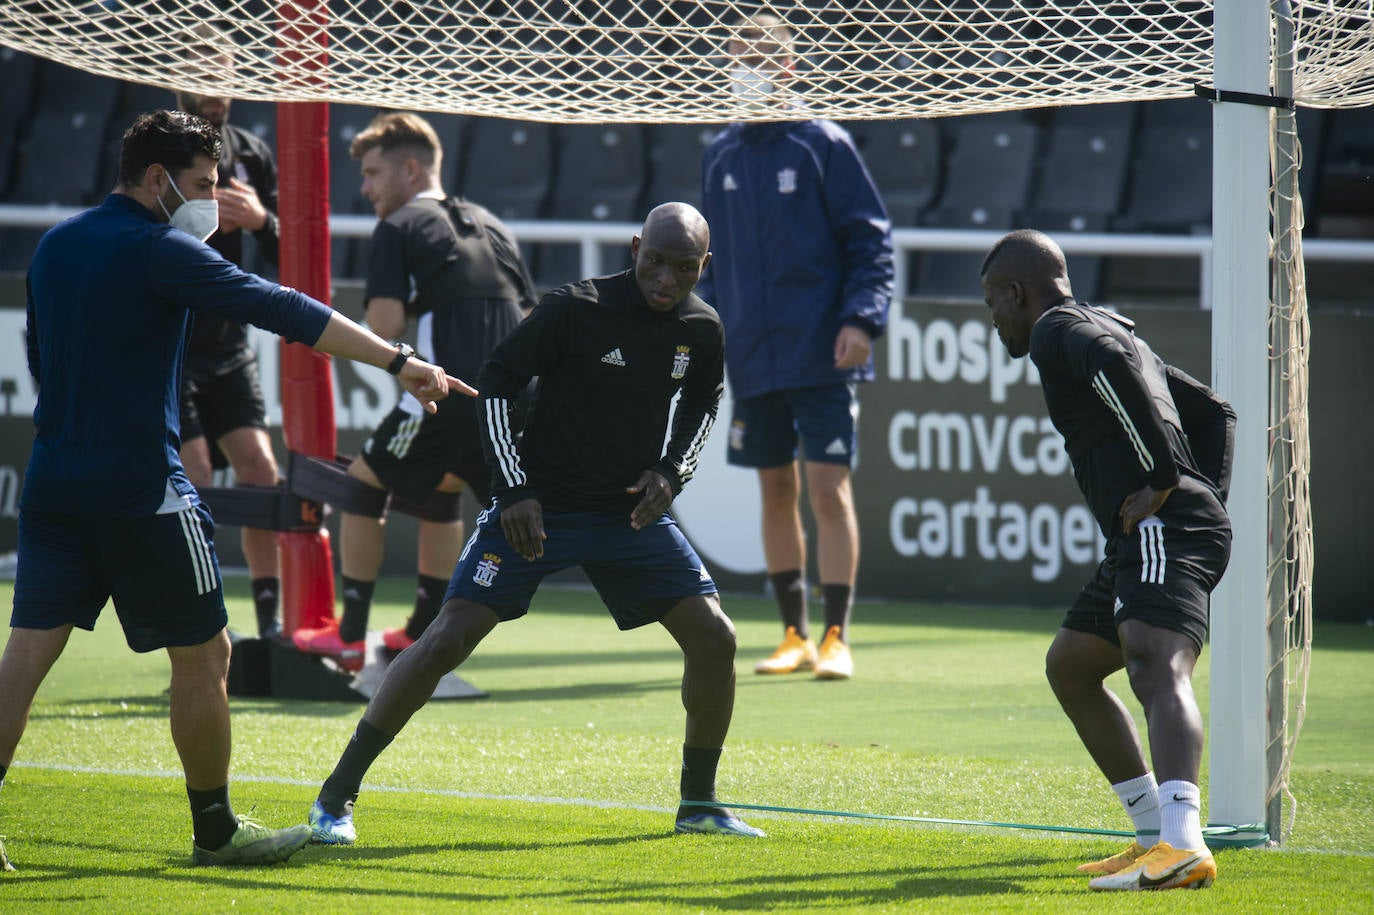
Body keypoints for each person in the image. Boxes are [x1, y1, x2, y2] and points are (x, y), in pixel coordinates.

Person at [0, 109, 469, 869]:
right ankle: (215, 829)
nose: (209, 203)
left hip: (54, 487)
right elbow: (282, 308)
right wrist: (397, 361)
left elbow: (41, 361)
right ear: (155, 180)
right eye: (201, 185)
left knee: (22, 660)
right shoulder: (160, 249)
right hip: (141, 490)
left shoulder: (55, 245)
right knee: (207, 654)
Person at [305, 202, 765, 845]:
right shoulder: (575, 308)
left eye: (683, 269)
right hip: (537, 509)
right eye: (655, 261)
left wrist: (669, 473)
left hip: (625, 515)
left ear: (704, 267)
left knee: (715, 637)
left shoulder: (702, 329)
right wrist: (514, 490)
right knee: (446, 639)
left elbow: (702, 405)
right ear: (635, 248)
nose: (665, 279)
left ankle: (699, 803)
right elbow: (495, 383)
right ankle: (334, 799)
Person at [981, 229, 1234, 891]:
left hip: (1161, 525)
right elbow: (1213, 412)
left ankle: (1181, 843)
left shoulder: (1056, 328)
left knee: (1153, 659)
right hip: (1151, 532)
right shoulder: (1112, 325)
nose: (994, 318)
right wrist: (1204, 495)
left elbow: (1111, 369)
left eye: (993, 303)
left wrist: (1162, 482)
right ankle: (1153, 832)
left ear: (1018, 292)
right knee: (1072, 663)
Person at [292, 112, 536, 670]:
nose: (366, 188)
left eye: (374, 173)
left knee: (360, 486)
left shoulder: (399, 226)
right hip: (511, 401)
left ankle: (350, 635)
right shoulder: (493, 224)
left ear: (409, 170)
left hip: (443, 393)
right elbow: (527, 314)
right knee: (442, 487)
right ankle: (424, 631)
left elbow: (385, 325)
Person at [697, 13, 894, 681]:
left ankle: (838, 635)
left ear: (786, 67)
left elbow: (872, 242)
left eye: (755, 56)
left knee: (828, 489)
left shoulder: (823, 144)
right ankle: (792, 634)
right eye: (734, 54)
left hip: (821, 352)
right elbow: (711, 265)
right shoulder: (720, 152)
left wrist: (862, 320)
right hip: (752, 355)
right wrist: (712, 333)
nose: (741, 67)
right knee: (773, 489)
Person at [176, 25, 287, 639]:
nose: (215, 91)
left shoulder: (250, 151)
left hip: (230, 345)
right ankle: (202, 624)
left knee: (262, 470)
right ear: (178, 80)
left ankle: (267, 628)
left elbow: (287, 249)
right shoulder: (158, 146)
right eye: (203, 76)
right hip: (174, 345)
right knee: (195, 478)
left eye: (224, 77)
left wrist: (263, 218)